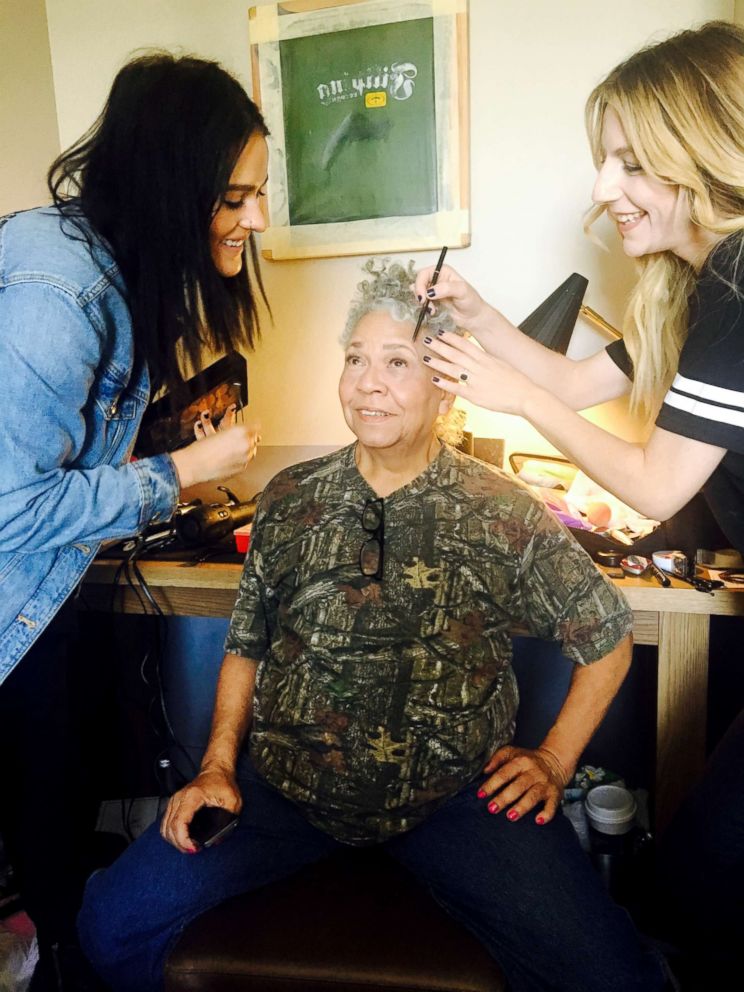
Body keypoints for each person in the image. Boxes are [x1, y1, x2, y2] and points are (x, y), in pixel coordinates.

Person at [77, 259, 667, 992]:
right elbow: (247, 641)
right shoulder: (292, 498)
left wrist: (552, 760)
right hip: (285, 792)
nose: (366, 382)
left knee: (613, 976)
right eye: (355, 359)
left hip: (457, 801)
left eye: (396, 362)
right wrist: (219, 766)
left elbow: (607, 634)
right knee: (108, 922)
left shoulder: (500, 510)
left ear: (445, 384)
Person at [414, 20, 744, 986]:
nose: (603, 190)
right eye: (604, 160)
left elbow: (653, 481)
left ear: (706, 151)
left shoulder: (740, 281)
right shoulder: (696, 294)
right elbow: (570, 379)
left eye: (629, 162)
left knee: (703, 875)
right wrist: (481, 319)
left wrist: (508, 398)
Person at [0, 52, 269, 988]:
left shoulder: (117, 275)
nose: (258, 219)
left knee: (58, 793)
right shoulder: (55, 294)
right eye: (236, 197)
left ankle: (60, 944)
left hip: (44, 590)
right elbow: (12, 509)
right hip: (14, 582)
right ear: (170, 186)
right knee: (46, 793)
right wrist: (183, 471)